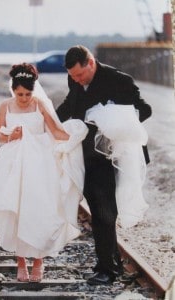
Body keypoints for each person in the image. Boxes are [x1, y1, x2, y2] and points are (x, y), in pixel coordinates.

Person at [56, 45, 152, 285]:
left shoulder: (118, 80)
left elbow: (144, 110)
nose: (76, 80)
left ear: (90, 62)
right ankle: (112, 264)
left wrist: (111, 123)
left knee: (103, 213)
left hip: (114, 158)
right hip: (87, 156)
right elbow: (70, 105)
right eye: (72, 77)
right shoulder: (74, 81)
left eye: (79, 75)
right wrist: (48, 123)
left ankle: (107, 269)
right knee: (100, 211)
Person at [0, 63, 88, 282]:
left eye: (28, 93)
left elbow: (56, 132)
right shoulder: (5, 105)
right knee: (17, 211)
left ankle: (39, 261)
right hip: (13, 164)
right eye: (20, 94)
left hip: (39, 164)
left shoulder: (40, 104)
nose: (24, 98)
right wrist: (11, 136)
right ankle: (21, 263)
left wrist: (79, 133)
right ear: (13, 90)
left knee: (38, 210)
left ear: (34, 90)